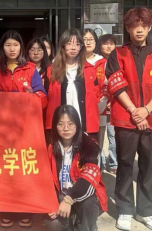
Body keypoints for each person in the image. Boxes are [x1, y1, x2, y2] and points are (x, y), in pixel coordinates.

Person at [106, 7, 152, 231]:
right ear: (128, 28)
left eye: (143, 26)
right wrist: (135, 111)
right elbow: (116, 83)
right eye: (135, 26)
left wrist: (147, 109)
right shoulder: (118, 54)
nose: (139, 30)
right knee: (125, 164)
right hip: (126, 118)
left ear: (150, 27)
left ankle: (145, 211)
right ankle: (125, 209)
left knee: (148, 165)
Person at [0, 30, 47, 228]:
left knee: (25, 167)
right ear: (2, 48)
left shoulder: (30, 69)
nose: (12, 49)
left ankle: (25, 209)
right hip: (3, 129)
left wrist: (32, 96)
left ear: (21, 47)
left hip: (26, 128)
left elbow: (43, 98)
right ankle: (7, 208)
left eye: (15, 45)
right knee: (6, 168)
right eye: (8, 45)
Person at [44, 105, 107, 231]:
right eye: (60, 124)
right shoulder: (52, 147)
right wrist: (51, 202)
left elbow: (88, 181)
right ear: (55, 126)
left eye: (70, 124)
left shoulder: (90, 147)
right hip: (62, 194)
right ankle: (72, 227)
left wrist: (68, 200)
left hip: (84, 195)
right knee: (50, 224)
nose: (66, 128)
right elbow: (47, 178)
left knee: (88, 204)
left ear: (77, 124)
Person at [45, 29, 101, 149]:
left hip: (84, 124)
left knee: (85, 157)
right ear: (63, 45)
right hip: (60, 125)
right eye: (69, 43)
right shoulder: (51, 70)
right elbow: (46, 97)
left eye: (77, 44)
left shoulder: (89, 69)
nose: (73, 47)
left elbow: (97, 95)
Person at [83, 29, 107, 168]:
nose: (88, 42)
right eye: (85, 39)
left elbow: (107, 85)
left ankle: (95, 171)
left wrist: (101, 104)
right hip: (79, 108)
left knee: (96, 143)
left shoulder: (102, 62)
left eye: (91, 39)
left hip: (99, 109)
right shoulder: (74, 61)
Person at [97, 34, 118, 173]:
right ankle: (101, 163)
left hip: (115, 105)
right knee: (99, 137)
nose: (109, 46)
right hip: (100, 105)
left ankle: (114, 163)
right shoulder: (97, 63)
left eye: (111, 43)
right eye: (105, 43)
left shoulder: (119, 61)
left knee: (114, 137)